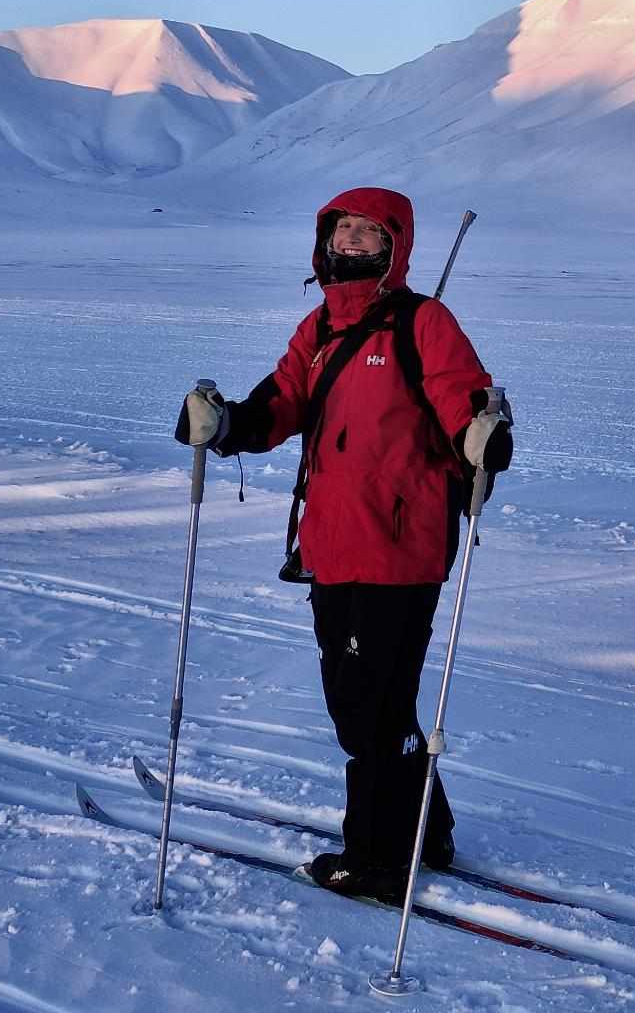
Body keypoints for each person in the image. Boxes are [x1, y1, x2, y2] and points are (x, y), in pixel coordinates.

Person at [174, 186, 512, 900]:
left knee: (369, 708)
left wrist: (481, 436)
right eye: (344, 229)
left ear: (397, 246)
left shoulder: (425, 322)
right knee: (373, 703)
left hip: (400, 544)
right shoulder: (321, 326)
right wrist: (225, 423)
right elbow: (281, 403)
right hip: (331, 543)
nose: (354, 241)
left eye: (370, 232)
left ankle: (378, 856)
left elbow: (462, 396)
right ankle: (426, 832)